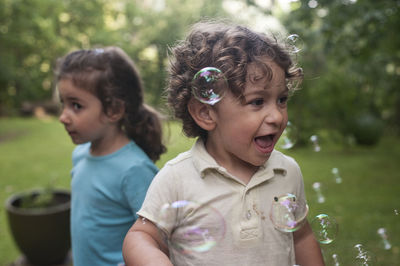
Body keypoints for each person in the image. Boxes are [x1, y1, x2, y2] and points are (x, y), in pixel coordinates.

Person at [122, 21, 324, 266]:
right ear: (206, 114)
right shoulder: (178, 178)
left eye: (281, 99)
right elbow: (141, 236)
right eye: (258, 102)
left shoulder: (287, 171)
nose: (277, 116)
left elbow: (301, 237)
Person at [56, 46, 166, 266]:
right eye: (63, 104)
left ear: (114, 110)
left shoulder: (134, 169)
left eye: (76, 106)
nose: (63, 117)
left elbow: (160, 237)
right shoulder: (80, 154)